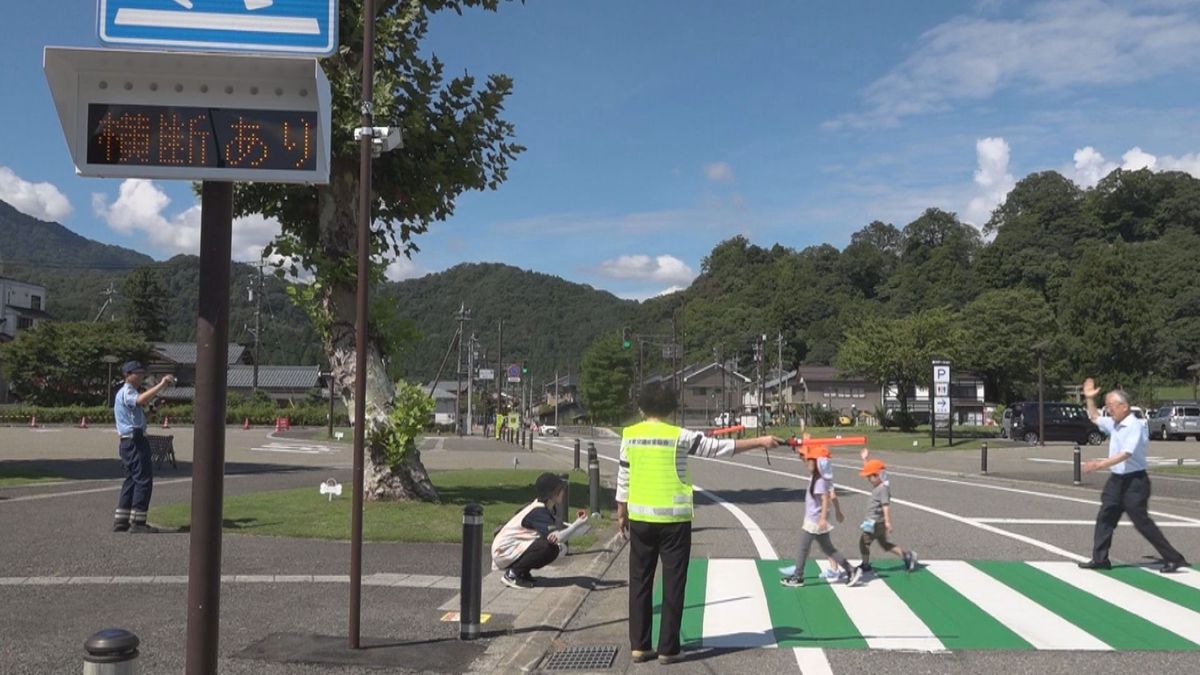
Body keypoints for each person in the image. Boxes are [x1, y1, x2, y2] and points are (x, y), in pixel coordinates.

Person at [617, 382, 783, 665]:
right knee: (674, 583)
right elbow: (719, 448)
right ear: (671, 408)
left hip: (641, 517)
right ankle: (669, 648)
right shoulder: (679, 436)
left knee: (640, 581)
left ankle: (639, 646)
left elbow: (624, 476)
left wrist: (621, 511)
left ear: (642, 407)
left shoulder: (630, 435)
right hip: (674, 520)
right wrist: (760, 441)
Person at [1078, 378, 1189, 573]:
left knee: (1141, 522)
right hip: (1117, 480)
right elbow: (1094, 417)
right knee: (1105, 516)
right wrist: (1089, 398)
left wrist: (1099, 464)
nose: (1109, 409)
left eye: (1112, 405)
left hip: (1135, 482)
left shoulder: (1134, 426)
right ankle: (1100, 559)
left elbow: (1126, 454)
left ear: (1124, 406)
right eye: (1107, 405)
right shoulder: (1115, 423)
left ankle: (1174, 558)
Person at [780, 444, 863, 588]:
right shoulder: (817, 476)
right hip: (816, 520)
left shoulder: (819, 481)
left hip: (815, 521)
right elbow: (804, 458)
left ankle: (798, 576)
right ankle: (851, 570)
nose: (807, 462)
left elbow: (825, 499)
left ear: (818, 464)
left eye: (811, 461)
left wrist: (823, 518)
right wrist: (798, 448)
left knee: (803, 548)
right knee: (829, 549)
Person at [112, 361, 173, 533]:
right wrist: (161, 384)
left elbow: (138, 414)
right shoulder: (127, 391)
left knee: (131, 479)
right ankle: (138, 522)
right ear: (128, 374)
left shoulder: (126, 393)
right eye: (138, 373)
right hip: (135, 440)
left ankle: (122, 519)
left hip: (128, 440)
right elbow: (139, 400)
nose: (141, 376)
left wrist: (153, 410)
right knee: (143, 479)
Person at [492, 472, 581, 589]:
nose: (562, 493)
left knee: (554, 547)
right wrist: (578, 524)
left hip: (509, 548)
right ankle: (513, 575)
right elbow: (557, 537)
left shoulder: (543, 508)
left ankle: (522, 573)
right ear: (551, 493)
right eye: (559, 490)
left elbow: (555, 529)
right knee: (549, 547)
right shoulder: (539, 511)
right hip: (503, 551)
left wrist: (573, 526)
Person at [856, 457, 916, 575]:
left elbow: (886, 505)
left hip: (874, 523)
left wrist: (888, 522)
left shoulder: (883, 489)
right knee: (885, 544)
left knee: (863, 542)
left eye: (870, 477)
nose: (868, 479)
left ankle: (865, 564)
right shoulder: (880, 486)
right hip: (878, 522)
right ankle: (906, 555)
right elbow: (871, 470)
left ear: (878, 476)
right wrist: (865, 460)